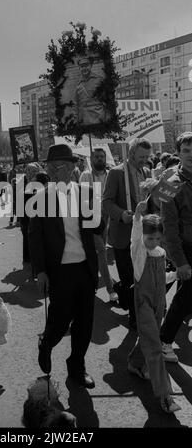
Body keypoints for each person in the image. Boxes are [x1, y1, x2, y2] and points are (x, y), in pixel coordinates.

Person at [29, 144, 103, 389]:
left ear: (72, 168)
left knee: (85, 323)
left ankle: (77, 367)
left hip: (84, 267)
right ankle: (47, 342)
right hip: (59, 270)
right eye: (50, 167)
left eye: (58, 166)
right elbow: (35, 237)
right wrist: (40, 271)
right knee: (60, 322)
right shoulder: (41, 198)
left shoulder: (86, 193)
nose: (52, 172)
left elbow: (98, 228)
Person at [127, 200, 180, 413]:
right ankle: (165, 396)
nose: (154, 241)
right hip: (144, 305)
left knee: (149, 338)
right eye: (150, 238)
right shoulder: (139, 253)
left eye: (158, 238)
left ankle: (135, 363)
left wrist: (177, 274)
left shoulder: (160, 252)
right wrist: (137, 218)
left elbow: (162, 278)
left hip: (159, 305)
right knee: (156, 347)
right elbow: (135, 239)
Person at [103, 138, 152, 329]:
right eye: (142, 157)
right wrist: (122, 214)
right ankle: (134, 316)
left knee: (144, 275)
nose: (145, 160)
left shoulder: (147, 172)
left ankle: (138, 306)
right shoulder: (116, 173)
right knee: (129, 277)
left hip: (144, 233)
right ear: (131, 154)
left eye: (147, 157)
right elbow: (106, 202)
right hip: (123, 235)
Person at [160, 132, 192, 363]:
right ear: (179, 153)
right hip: (186, 249)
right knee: (185, 297)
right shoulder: (169, 184)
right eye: (187, 150)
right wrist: (180, 261)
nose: (191, 155)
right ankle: (163, 340)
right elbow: (168, 228)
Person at [80, 148, 117, 302]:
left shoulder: (111, 175)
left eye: (102, 156)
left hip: (107, 219)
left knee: (96, 253)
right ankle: (110, 289)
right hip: (91, 219)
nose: (100, 159)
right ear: (91, 158)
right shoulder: (86, 175)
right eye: (97, 157)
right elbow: (82, 199)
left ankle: (89, 280)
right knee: (101, 250)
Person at [72, 55, 105, 126]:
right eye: (82, 66)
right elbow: (75, 106)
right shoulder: (78, 86)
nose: (84, 68)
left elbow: (107, 99)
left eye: (86, 65)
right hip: (85, 121)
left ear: (91, 66)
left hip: (99, 117)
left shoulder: (99, 80)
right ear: (79, 68)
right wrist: (76, 123)